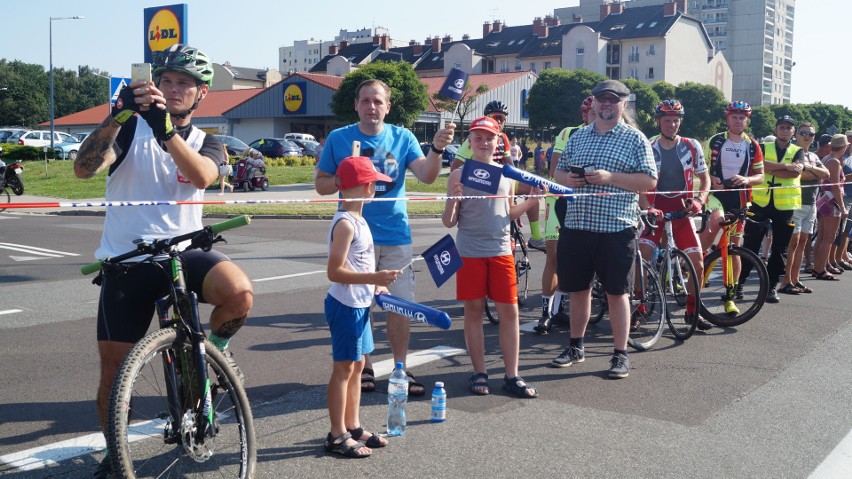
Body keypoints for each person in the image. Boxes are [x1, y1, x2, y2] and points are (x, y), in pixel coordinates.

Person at [75, 44, 254, 479]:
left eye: (184, 84)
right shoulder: (129, 130)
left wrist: (166, 131)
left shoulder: (206, 140)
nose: (173, 90)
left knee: (240, 294)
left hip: (183, 253)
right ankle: (113, 453)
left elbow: (202, 177)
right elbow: (83, 169)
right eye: (166, 81)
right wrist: (118, 115)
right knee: (115, 371)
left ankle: (218, 356)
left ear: (201, 94)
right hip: (127, 260)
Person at [315, 78, 455, 397]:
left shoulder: (402, 136)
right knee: (358, 304)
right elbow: (322, 184)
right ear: (356, 105)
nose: (371, 107)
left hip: (395, 234)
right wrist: (345, 176)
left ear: (387, 107)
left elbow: (428, 175)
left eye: (378, 101)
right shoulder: (339, 138)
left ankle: (400, 369)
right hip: (355, 233)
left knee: (400, 305)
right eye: (365, 101)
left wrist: (437, 148)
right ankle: (363, 365)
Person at [551, 80, 658, 379]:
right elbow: (559, 171)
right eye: (601, 100)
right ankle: (575, 346)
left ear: (624, 104)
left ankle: (620, 354)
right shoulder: (578, 136)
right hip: (577, 225)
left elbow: (649, 181)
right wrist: (567, 180)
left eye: (613, 100)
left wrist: (610, 176)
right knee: (579, 290)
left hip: (616, 228)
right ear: (594, 104)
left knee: (616, 293)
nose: (606, 105)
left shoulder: (635, 139)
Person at [442, 116, 540, 398]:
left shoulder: (507, 175)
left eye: (489, 138)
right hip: (470, 252)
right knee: (473, 312)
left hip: (500, 251)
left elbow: (508, 213)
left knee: (509, 312)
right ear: (469, 142)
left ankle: (512, 375)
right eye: (478, 138)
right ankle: (479, 372)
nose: (484, 143)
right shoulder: (458, 175)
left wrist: (531, 202)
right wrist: (454, 200)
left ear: (498, 142)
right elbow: (449, 222)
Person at [323, 155, 396, 458]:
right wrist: (374, 276)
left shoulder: (359, 220)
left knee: (355, 368)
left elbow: (360, 262)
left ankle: (352, 425)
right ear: (365, 188)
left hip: (359, 304)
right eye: (374, 183)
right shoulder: (345, 224)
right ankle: (336, 434)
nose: (376, 188)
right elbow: (334, 272)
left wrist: (376, 284)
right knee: (343, 369)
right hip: (345, 305)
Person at [637, 100, 713, 330]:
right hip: (654, 214)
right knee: (640, 260)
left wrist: (700, 199)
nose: (672, 125)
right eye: (667, 120)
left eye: (676, 120)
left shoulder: (692, 145)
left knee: (697, 264)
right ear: (658, 122)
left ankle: (692, 310)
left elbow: (705, 178)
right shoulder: (649, 146)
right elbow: (640, 182)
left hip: (682, 214)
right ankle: (639, 308)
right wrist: (646, 206)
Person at [534, 95, 595, 334]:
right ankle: (546, 312)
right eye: (592, 113)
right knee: (555, 257)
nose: (596, 117)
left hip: (590, 204)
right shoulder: (569, 133)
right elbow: (555, 170)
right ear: (584, 115)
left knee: (582, 260)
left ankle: (562, 308)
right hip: (560, 200)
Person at [452, 100, 546, 251]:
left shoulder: (503, 138)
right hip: (481, 179)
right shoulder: (474, 139)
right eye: (496, 117)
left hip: (501, 179)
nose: (499, 122)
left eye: (502, 119)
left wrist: (522, 183)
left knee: (532, 186)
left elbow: (511, 167)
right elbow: (455, 167)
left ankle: (536, 237)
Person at [698, 101, 764, 315]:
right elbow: (701, 169)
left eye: (742, 117)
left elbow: (760, 176)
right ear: (727, 119)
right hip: (717, 195)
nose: (738, 121)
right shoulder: (716, 140)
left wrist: (746, 179)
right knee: (716, 225)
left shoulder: (753, 145)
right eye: (734, 117)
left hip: (740, 197)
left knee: (735, 245)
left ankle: (730, 295)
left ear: (747, 120)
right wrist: (713, 178)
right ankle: (693, 264)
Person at [741, 115, 804, 303]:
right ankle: (739, 284)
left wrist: (771, 168)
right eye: (782, 127)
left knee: (779, 250)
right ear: (776, 130)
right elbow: (758, 167)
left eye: (789, 128)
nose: (785, 130)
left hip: (784, 206)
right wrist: (785, 166)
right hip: (760, 203)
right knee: (750, 245)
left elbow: (796, 171)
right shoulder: (762, 146)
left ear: (793, 132)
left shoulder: (797, 150)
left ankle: (771, 287)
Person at [779, 123, 829, 294]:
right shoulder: (792, 152)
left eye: (811, 134)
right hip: (795, 203)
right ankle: (786, 282)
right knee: (793, 244)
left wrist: (809, 168)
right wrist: (814, 172)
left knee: (803, 242)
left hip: (811, 204)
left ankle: (795, 279)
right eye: (803, 133)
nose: (807, 136)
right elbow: (799, 176)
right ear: (797, 135)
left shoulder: (814, 156)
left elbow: (827, 174)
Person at [812, 134, 849, 280]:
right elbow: (835, 187)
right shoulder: (834, 162)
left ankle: (818, 267)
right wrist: (842, 207)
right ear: (844, 147)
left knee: (822, 237)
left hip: (823, 201)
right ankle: (820, 269)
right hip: (831, 202)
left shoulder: (827, 158)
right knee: (829, 238)